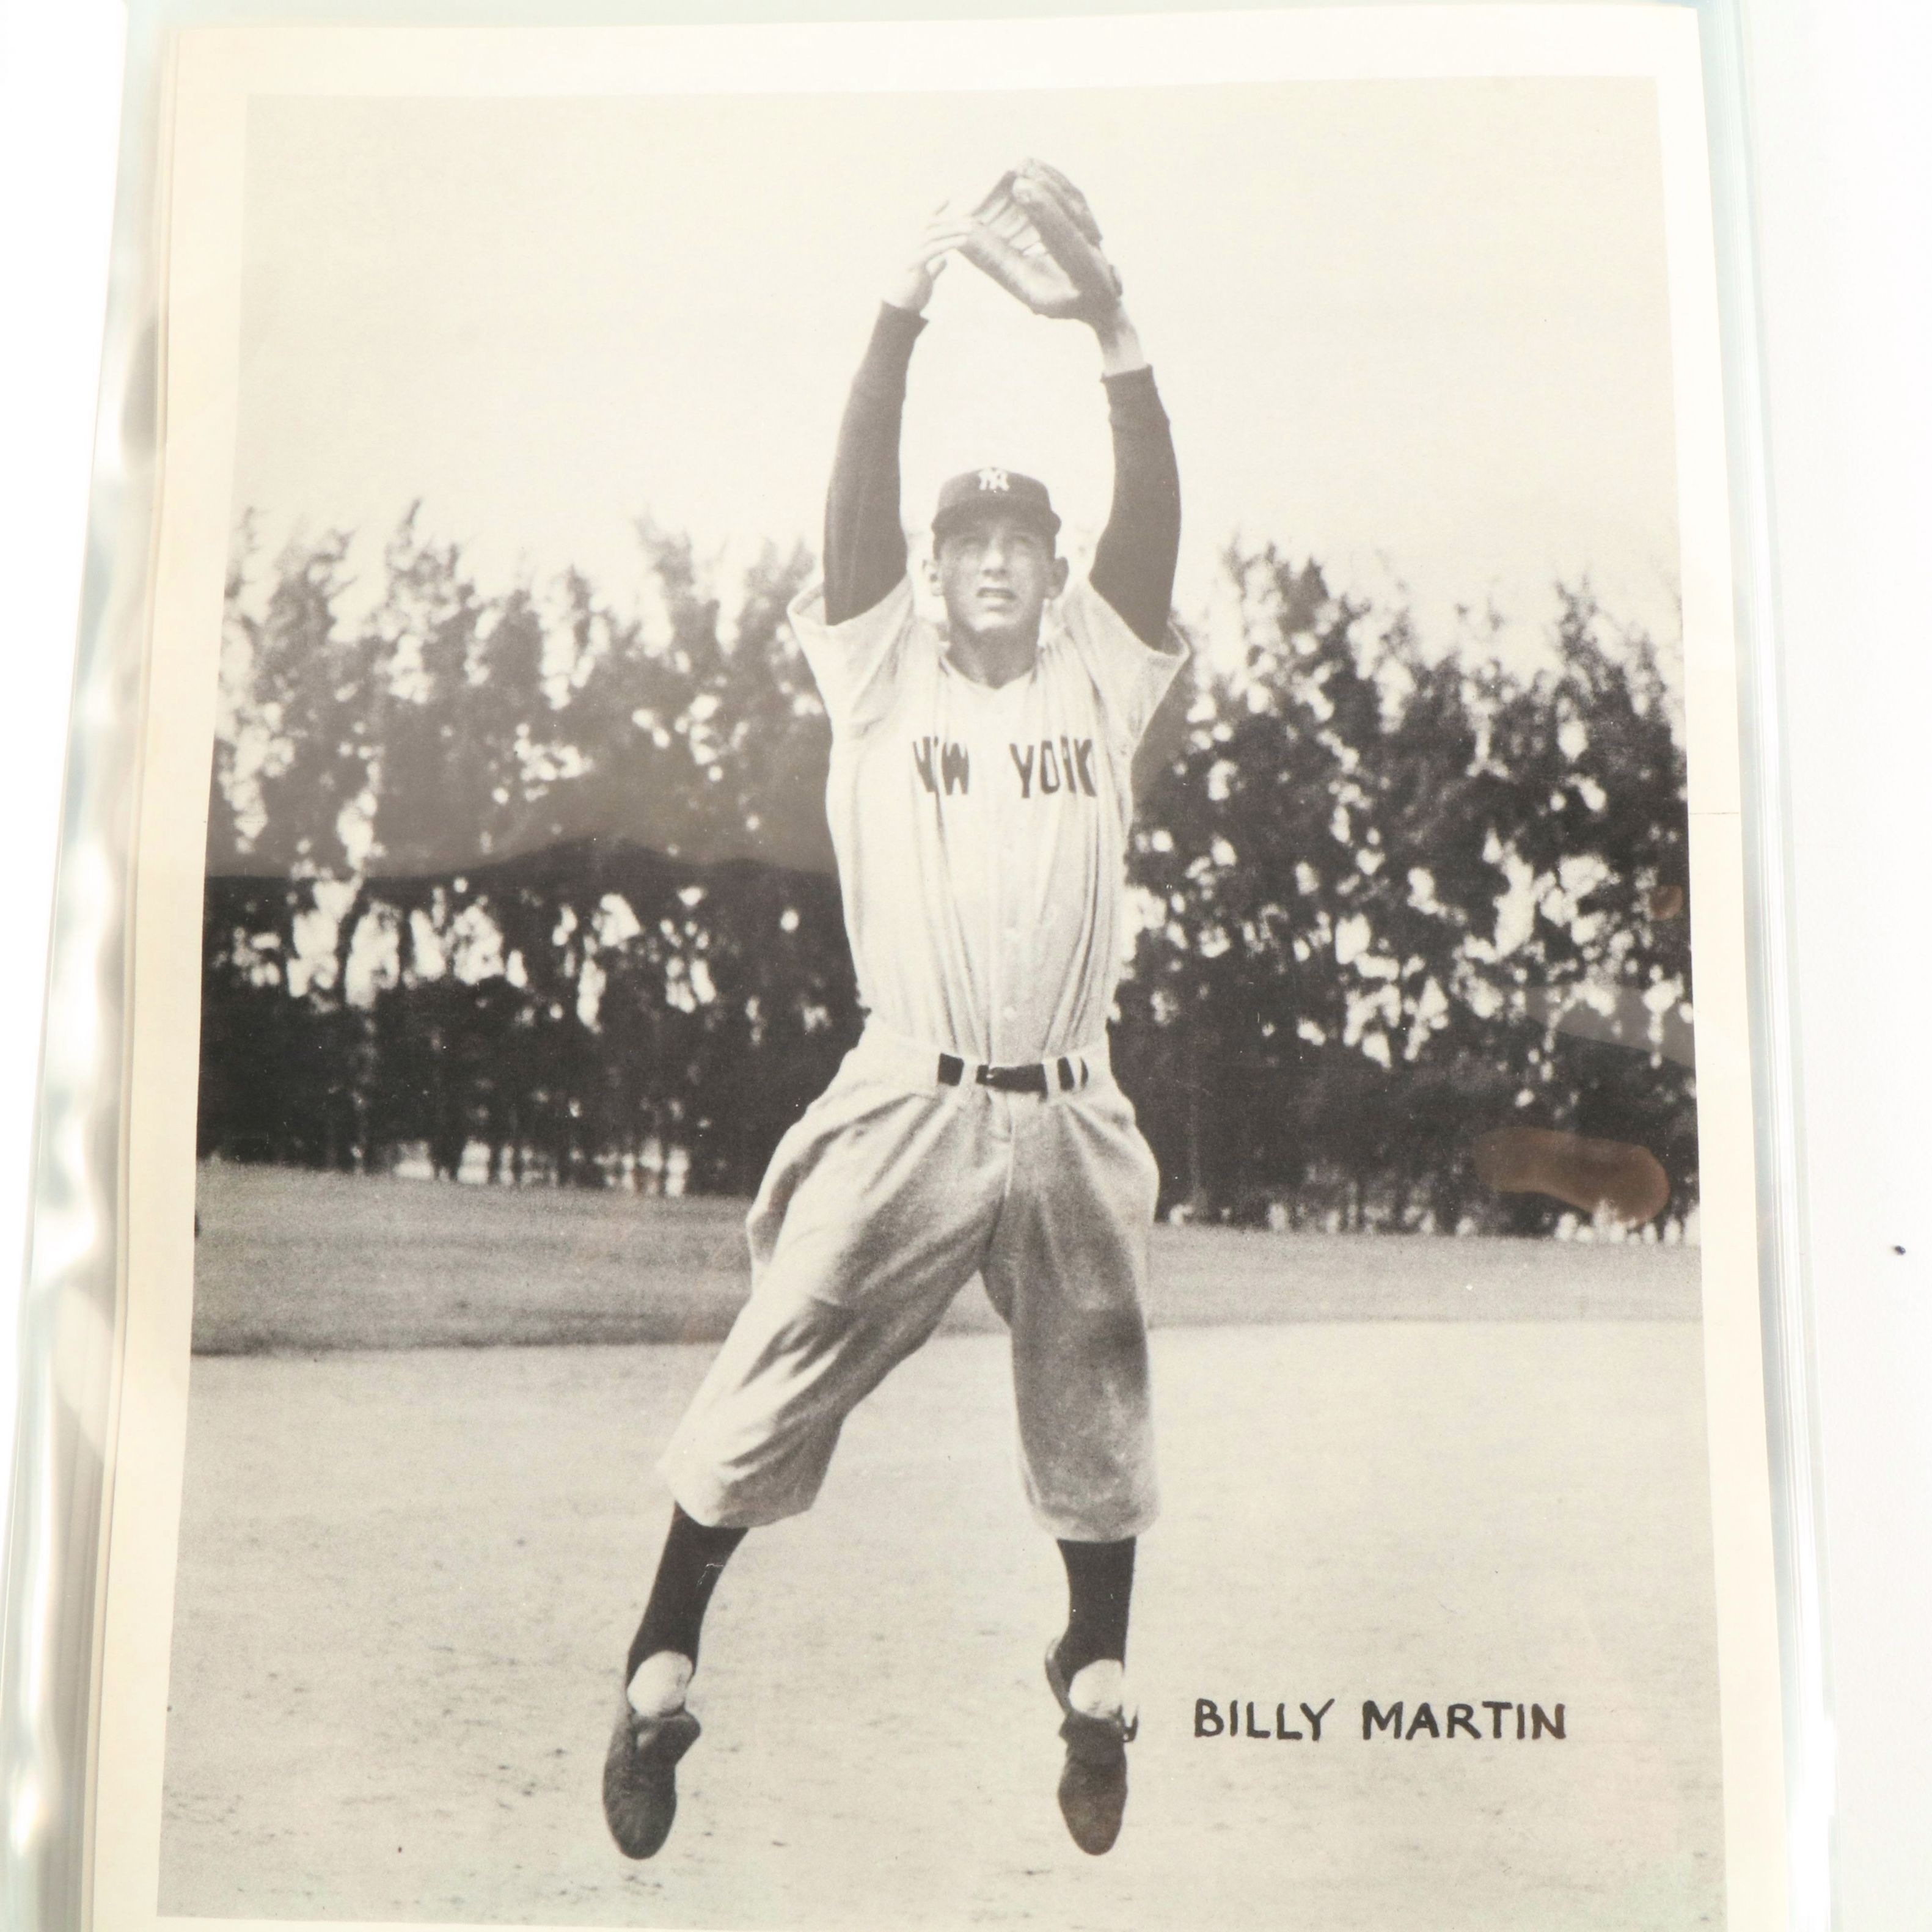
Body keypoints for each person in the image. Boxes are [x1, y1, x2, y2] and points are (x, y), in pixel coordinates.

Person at [602, 161, 1184, 1863]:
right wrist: (901, 302)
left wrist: (1117, 339)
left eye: (1018, 541)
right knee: (771, 1372)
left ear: (1052, 567)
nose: (992, 561)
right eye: (968, 543)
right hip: (911, 1100)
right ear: (933, 572)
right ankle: (654, 1668)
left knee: (1101, 1399)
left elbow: (1153, 512)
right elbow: (853, 499)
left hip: (1067, 1104)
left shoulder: (1101, 669)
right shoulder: (879, 672)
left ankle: (1094, 1681)